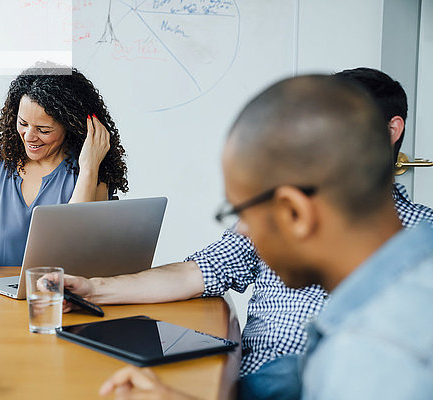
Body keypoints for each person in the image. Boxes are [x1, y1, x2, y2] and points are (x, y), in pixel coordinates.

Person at [64, 68, 433, 399]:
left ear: (296, 213)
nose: (241, 230)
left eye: (242, 213)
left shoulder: (377, 354)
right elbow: (204, 269)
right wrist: (95, 288)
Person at [0, 67, 128, 271]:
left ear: (70, 126)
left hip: (58, 295)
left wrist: (88, 169)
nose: (29, 136)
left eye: (43, 130)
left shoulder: (91, 173)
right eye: (23, 123)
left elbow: (76, 251)